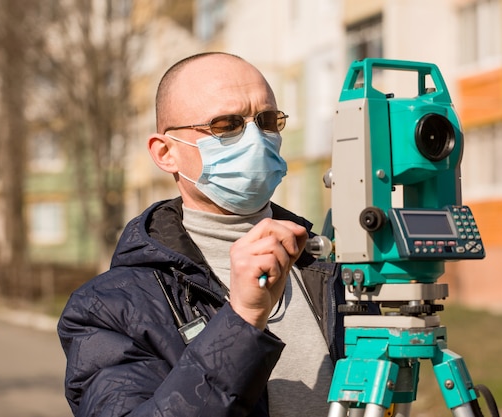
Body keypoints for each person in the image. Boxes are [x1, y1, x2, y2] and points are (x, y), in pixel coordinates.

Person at [57, 52, 344, 417]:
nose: (256, 139)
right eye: (227, 125)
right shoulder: (109, 307)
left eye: (268, 121)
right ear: (165, 153)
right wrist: (242, 320)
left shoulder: (330, 270)